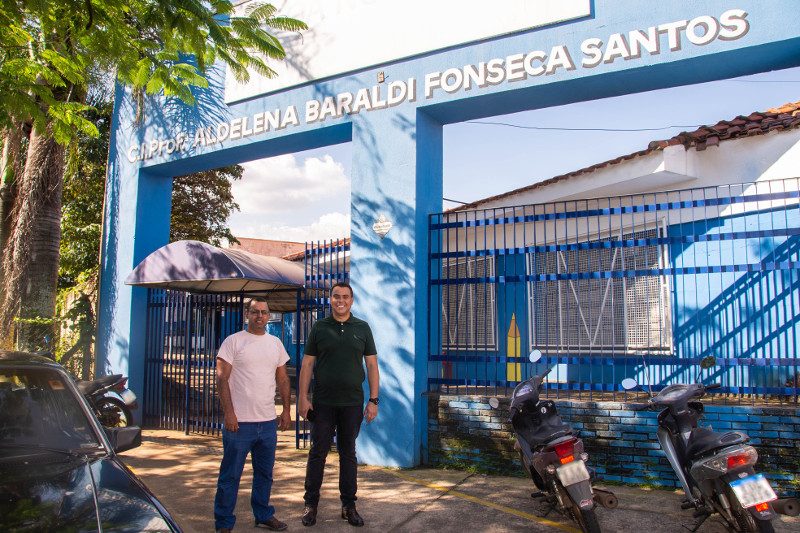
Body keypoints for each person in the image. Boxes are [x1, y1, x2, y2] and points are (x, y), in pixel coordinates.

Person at [297, 281, 380, 527]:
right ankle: (310, 505)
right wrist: (303, 397)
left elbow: (372, 366)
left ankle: (349, 506)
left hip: (352, 404)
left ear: (352, 300)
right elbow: (308, 364)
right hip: (323, 403)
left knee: (348, 455)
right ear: (330, 300)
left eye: (345, 296)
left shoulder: (362, 328)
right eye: (336, 296)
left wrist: (373, 400)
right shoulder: (320, 327)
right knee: (317, 453)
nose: (340, 300)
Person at [214, 297, 292, 533]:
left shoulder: (275, 343)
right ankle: (224, 523)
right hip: (240, 424)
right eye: (255, 312)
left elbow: (282, 378)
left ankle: (263, 514)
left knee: (265, 475)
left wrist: (286, 410)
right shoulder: (233, 342)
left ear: (269, 316)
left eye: (264, 312)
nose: (260, 316)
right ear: (247, 314)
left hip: (267, 422)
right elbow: (221, 378)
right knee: (230, 477)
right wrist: (229, 413)